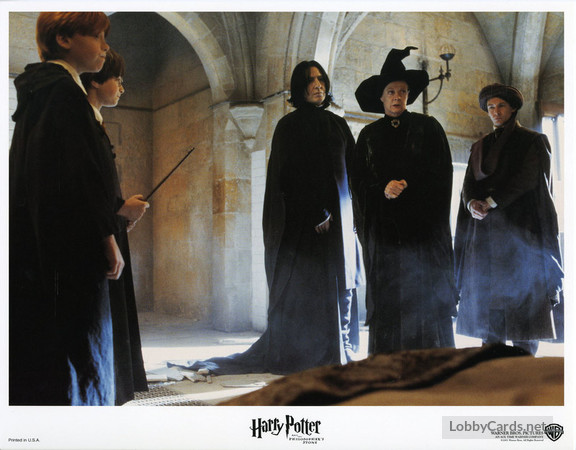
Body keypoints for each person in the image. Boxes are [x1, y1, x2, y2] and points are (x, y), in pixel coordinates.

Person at [172, 60, 364, 375]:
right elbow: (287, 179)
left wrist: (354, 217)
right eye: (310, 80)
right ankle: (306, 357)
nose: (318, 85)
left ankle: (335, 354)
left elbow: (353, 173)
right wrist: (317, 212)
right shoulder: (289, 126)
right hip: (306, 230)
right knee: (309, 292)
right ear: (299, 88)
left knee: (339, 288)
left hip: (340, 228)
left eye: (321, 79)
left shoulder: (338, 125)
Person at [9, 12, 121, 405]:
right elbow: (79, 178)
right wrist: (108, 238)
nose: (105, 47)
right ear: (65, 39)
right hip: (73, 251)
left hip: (45, 250)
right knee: (79, 354)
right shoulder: (64, 94)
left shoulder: (42, 91)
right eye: (98, 36)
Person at [348, 46, 457, 355]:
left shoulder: (428, 127)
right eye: (391, 92)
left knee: (423, 293)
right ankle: (388, 365)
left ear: (409, 95)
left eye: (402, 91)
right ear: (381, 98)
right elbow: (358, 181)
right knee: (389, 296)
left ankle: (430, 363)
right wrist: (382, 188)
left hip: (422, 234)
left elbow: (441, 173)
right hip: (385, 235)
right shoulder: (368, 136)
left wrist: (409, 183)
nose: (397, 97)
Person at [454, 83, 563, 355]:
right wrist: (471, 203)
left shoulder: (532, 141)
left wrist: (491, 202)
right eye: (491, 107)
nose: (495, 111)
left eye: (501, 105)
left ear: (513, 108)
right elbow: (468, 185)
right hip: (485, 242)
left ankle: (523, 371)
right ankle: (493, 371)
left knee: (524, 317)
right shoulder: (479, 146)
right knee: (489, 318)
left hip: (521, 238)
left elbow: (528, 179)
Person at [80, 49, 149, 405]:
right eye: (117, 80)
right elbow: (85, 190)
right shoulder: (84, 123)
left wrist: (123, 210)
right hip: (93, 238)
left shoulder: (95, 121)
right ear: (94, 81)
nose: (122, 87)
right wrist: (116, 215)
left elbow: (101, 189)